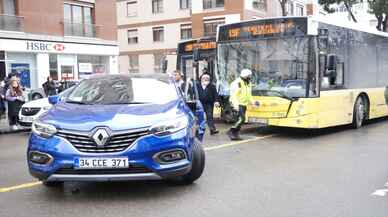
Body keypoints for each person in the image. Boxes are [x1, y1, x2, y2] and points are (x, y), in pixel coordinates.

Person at [227, 69, 259, 141]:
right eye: (249, 76)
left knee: (241, 120)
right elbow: (233, 95)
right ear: (245, 75)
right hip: (238, 104)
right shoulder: (237, 83)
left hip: (244, 104)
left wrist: (253, 102)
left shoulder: (248, 83)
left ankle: (235, 134)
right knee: (242, 119)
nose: (250, 77)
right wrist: (236, 105)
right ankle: (231, 131)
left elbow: (249, 95)